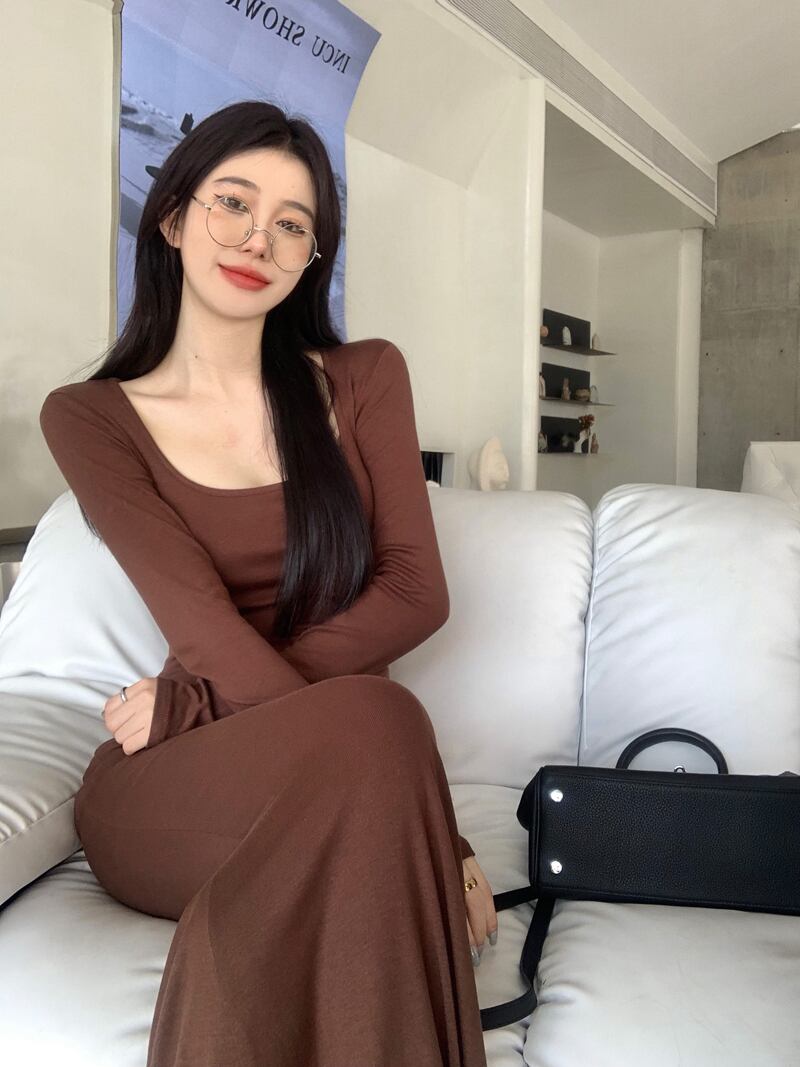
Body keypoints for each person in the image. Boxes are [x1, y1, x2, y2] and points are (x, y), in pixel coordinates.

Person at [39, 99, 497, 1066]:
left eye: (293, 224)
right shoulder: (90, 416)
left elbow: (418, 591)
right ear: (173, 218)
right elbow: (199, 624)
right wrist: (430, 838)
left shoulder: (364, 378)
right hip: (171, 783)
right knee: (379, 714)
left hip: (284, 740)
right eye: (234, 203)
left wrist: (200, 700)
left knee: (376, 716)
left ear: (310, 258)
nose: (260, 238)